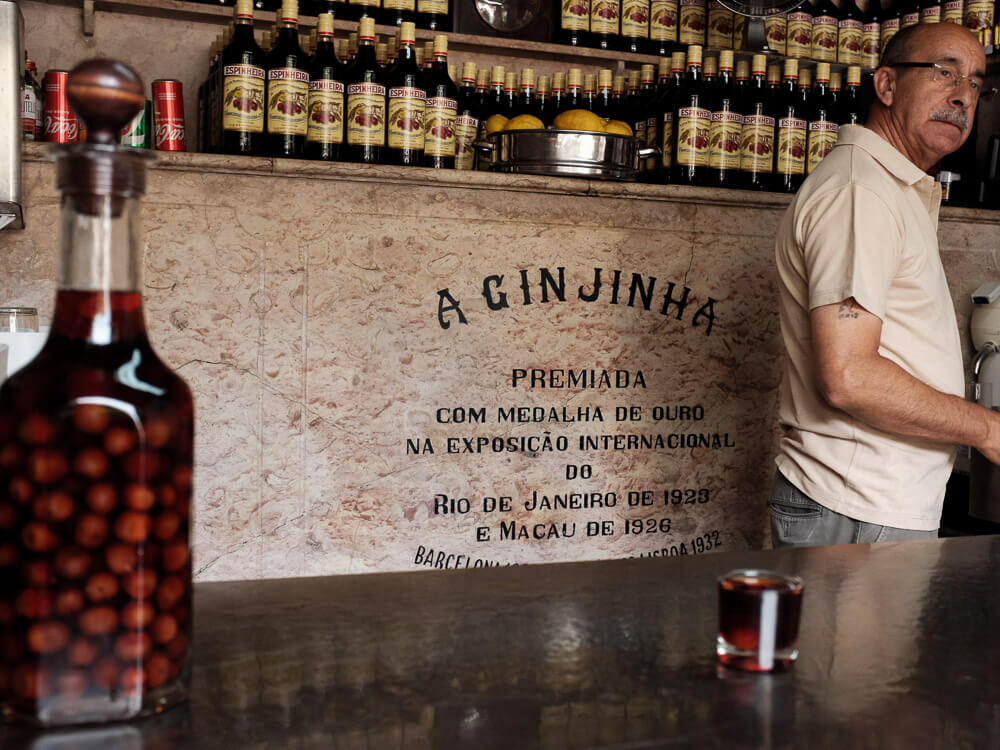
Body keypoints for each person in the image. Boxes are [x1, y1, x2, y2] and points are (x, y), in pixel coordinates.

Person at [771, 22, 999, 546]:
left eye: (975, 84)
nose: (963, 96)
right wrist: (987, 429)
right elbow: (850, 377)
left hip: (870, 503)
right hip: (854, 506)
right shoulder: (861, 192)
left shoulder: (891, 187)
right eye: (944, 73)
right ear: (887, 86)